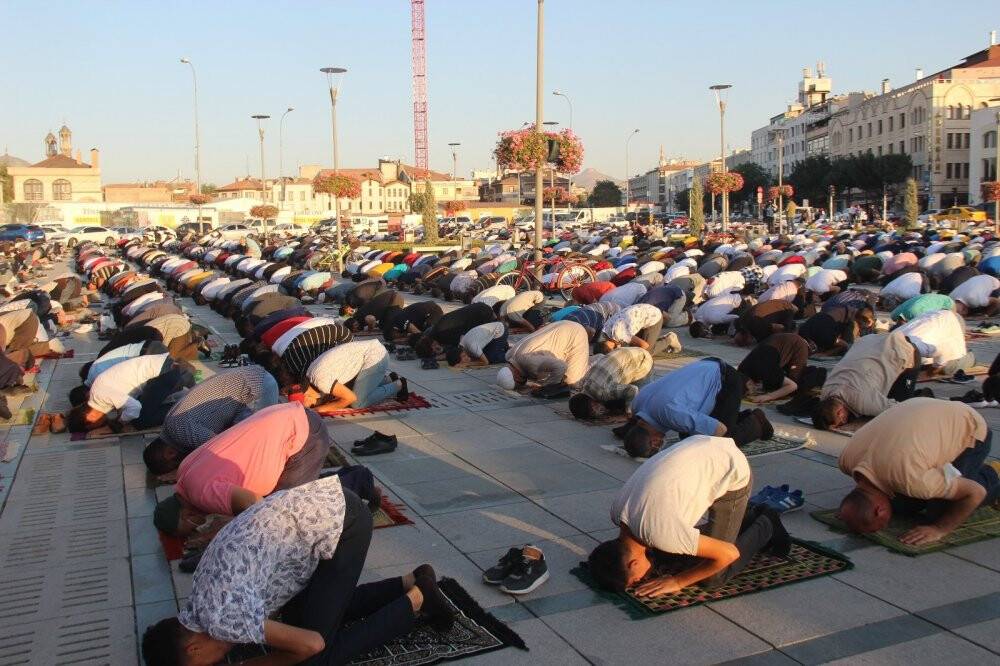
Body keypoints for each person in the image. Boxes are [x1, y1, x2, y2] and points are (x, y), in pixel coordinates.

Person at [142, 475, 455, 666]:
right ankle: (410, 581)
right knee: (298, 621)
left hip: (341, 524)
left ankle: (417, 599)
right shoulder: (198, 605)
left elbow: (312, 644)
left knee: (315, 658)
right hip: (317, 510)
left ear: (193, 648)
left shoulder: (222, 619)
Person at [587, 434, 789, 595]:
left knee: (713, 577)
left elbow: (729, 554)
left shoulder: (661, 535)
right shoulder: (617, 514)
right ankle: (747, 518)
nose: (641, 581)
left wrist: (678, 581)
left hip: (730, 468)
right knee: (669, 552)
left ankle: (767, 522)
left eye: (636, 580)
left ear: (633, 563)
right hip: (700, 445)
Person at [153, 402, 334, 538]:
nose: (197, 528)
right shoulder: (183, 472)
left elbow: (254, 503)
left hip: (303, 433)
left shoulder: (201, 495)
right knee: (282, 503)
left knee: (285, 517)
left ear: (187, 516)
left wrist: (228, 528)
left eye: (192, 529)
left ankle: (356, 482)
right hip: (285, 415)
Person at [836, 398, 1000, 545]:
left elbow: (975, 493)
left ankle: (992, 473)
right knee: (902, 505)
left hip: (969, 427)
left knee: (941, 511)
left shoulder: (912, 480)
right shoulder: (846, 460)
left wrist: (939, 529)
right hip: (926, 406)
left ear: (880, 510)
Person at [143, 366, 283, 476]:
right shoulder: (171, 423)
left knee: (245, 449)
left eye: (174, 465)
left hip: (258, 389)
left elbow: (221, 449)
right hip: (252, 379)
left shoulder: (179, 432)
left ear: (170, 454)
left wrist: (181, 473)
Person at [620, 359, 771, 458]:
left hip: (725, 381)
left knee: (722, 443)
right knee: (689, 438)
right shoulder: (637, 405)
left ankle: (758, 423)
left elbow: (720, 430)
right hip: (706, 366)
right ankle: (741, 417)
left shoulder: (671, 415)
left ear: (655, 442)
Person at [812, 331, 921, 430]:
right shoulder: (826, 391)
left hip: (904, 351)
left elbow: (900, 410)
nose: (844, 423)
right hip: (870, 341)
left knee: (902, 412)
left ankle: (923, 397)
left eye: (840, 423)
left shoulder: (862, 401)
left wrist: (858, 425)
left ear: (840, 413)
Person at [67, 353, 195, 432]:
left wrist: (119, 423)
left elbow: (135, 407)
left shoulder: (100, 395)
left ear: (90, 417)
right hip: (162, 369)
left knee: (141, 420)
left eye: (94, 426)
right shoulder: (98, 396)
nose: (99, 425)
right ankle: (181, 397)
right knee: (137, 413)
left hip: (164, 372)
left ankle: (187, 405)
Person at [300, 339, 407, 412]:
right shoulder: (310, 373)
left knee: (358, 403)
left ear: (307, 396)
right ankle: (389, 379)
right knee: (350, 391)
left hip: (377, 357)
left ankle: (398, 385)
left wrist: (319, 410)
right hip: (372, 351)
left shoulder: (322, 382)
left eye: (311, 405)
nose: (314, 405)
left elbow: (350, 398)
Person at [501, 320, 590, 391]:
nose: (522, 384)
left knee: (572, 382)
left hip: (575, 333)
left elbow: (561, 366)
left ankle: (597, 360)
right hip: (562, 326)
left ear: (516, 376)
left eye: (519, 384)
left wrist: (546, 388)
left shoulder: (530, 363)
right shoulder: (509, 356)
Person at [568, 347, 653, 420]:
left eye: (594, 413)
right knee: (620, 398)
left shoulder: (603, 392)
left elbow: (633, 390)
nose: (598, 412)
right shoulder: (583, 384)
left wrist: (627, 414)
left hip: (641, 359)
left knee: (641, 402)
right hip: (628, 351)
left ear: (593, 405)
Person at [737, 333, 809, 403]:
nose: (751, 393)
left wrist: (769, 396)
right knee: (772, 384)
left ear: (749, 384)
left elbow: (793, 386)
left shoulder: (766, 371)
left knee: (794, 383)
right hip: (775, 341)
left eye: (748, 392)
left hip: (797, 344)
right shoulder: (742, 369)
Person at [798, 303, 875, 355]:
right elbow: (846, 343)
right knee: (846, 346)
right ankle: (823, 355)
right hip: (820, 335)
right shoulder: (851, 322)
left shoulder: (845, 310)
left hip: (808, 330)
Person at [599, 303, 666, 354]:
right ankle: (653, 339)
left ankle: (669, 339)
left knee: (647, 352)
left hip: (653, 316)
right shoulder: (605, 331)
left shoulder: (621, 335)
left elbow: (645, 346)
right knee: (633, 346)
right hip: (642, 310)